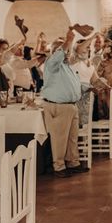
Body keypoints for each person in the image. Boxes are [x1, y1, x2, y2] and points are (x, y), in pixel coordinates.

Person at [41, 29, 88, 178]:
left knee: (72, 138)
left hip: (70, 106)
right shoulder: (51, 63)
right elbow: (59, 54)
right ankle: (59, 166)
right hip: (59, 106)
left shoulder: (66, 66)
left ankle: (73, 162)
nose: (68, 54)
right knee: (59, 138)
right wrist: (68, 41)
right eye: (65, 51)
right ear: (56, 52)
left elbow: (71, 83)